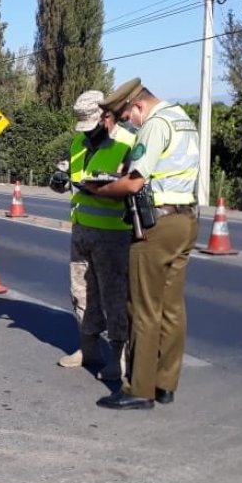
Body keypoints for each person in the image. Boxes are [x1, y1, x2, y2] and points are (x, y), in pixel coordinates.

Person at [83, 78, 200, 410]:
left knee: (143, 308)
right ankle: (165, 384)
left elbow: (135, 183)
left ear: (136, 105)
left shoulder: (154, 125)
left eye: (125, 117)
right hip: (186, 219)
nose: (127, 124)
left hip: (156, 225)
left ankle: (138, 389)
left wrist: (98, 189)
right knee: (172, 308)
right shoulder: (182, 118)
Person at [48, 90, 137, 380]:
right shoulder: (77, 142)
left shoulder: (128, 144)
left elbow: (136, 188)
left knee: (114, 298)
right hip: (81, 231)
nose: (89, 133)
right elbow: (65, 180)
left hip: (114, 235)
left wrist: (103, 187)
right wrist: (58, 181)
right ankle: (88, 347)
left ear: (107, 118)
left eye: (93, 125)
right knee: (81, 293)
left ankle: (118, 356)